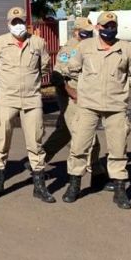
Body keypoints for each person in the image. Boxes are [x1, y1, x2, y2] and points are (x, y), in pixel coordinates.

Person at [61, 12, 131, 209]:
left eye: (112, 26)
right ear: (98, 27)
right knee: (79, 146)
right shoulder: (84, 47)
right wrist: (82, 86)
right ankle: (74, 185)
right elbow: (70, 68)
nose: (109, 29)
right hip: (88, 105)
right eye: (105, 26)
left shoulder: (126, 49)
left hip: (115, 106)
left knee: (118, 148)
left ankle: (119, 190)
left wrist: (121, 86)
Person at [0, 6, 54, 203]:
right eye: (14, 22)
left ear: (26, 22)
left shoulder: (38, 42)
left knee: (35, 142)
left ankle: (39, 187)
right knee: (2, 140)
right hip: (7, 98)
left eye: (21, 21)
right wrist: (11, 80)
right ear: (8, 24)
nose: (18, 24)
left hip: (31, 99)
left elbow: (45, 67)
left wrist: (29, 80)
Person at [39, 17, 109, 190]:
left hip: (87, 95)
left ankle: (37, 163)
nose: (88, 34)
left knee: (64, 131)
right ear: (76, 31)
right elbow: (57, 76)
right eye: (84, 31)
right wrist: (70, 92)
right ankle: (97, 172)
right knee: (86, 135)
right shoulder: (69, 49)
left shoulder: (91, 45)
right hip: (72, 96)